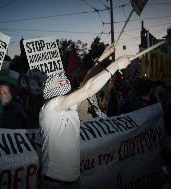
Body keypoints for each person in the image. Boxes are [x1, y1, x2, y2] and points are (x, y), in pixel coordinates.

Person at [39, 45, 130, 189]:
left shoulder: (69, 104)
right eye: (56, 81)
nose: (62, 80)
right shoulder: (51, 106)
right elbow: (88, 90)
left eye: (61, 78)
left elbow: (87, 81)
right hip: (54, 182)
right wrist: (115, 65)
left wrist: (102, 58)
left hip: (74, 179)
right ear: (46, 89)